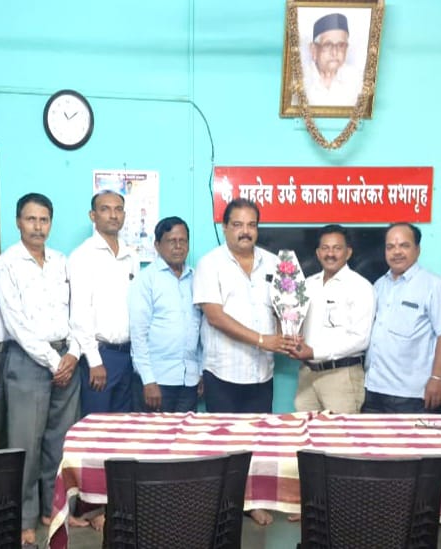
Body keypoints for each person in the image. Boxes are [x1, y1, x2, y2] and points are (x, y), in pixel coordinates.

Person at [0, 193, 81, 546]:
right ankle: (24, 519)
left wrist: (73, 353)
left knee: (60, 443)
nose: (38, 226)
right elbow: (16, 324)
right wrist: (54, 361)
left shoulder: (61, 261)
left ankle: (52, 511)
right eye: (31, 219)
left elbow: (77, 312)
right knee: (25, 445)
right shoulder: (7, 264)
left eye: (44, 220)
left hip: (66, 359)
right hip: (29, 361)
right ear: (18, 222)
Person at [193, 198, 284, 527]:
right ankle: (224, 507)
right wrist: (262, 339)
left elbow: (286, 309)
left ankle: (252, 503)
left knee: (258, 444)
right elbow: (215, 316)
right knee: (225, 445)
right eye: (238, 225)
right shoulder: (210, 264)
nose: (245, 231)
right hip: (224, 372)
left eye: (251, 225)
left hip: (261, 373)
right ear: (225, 227)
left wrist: (286, 333)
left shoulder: (276, 263)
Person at [363, 223, 441, 414]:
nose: (396, 252)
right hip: (374, 389)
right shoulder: (379, 285)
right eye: (390, 247)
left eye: (404, 245)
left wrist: (438, 378)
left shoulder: (434, 285)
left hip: (411, 394)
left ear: (417, 249)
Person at [286, 224, 374, 413]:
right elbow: (296, 322)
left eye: (337, 248)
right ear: (318, 253)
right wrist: (291, 340)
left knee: (341, 431)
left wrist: (314, 352)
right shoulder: (307, 285)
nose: (330, 254)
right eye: (325, 248)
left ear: (348, 253)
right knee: (304, 429)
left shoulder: (360, 287)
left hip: (341, 376)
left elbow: (361, 339)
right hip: (307, 375)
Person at [69, 191, 140, 415]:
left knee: (123, 425)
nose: (113, 215)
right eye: (105, 209)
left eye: (118, 209)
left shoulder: (131, 256)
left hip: (128, 355)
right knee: (96, 426)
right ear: (93, 215)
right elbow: (79, 313)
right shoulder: (83, 256)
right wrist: (94, 361)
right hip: (100, 356)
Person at [130, 217, 202, 413]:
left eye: (183, 241)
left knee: (186, 432)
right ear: (157, 245)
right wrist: (148, 380)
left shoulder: (196, 279)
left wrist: (200, 372)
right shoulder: (146, 279)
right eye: (171, 241)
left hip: (189, 381)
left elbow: (201, 331)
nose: (178, 246)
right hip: (156, 381)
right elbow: (138, 334)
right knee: (153, 433)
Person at [303, 12, 364, 106]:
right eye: (327, 45)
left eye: (341, 45)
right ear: (314, 49)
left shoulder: (356, 79)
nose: (335, 53)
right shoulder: (301, 78)